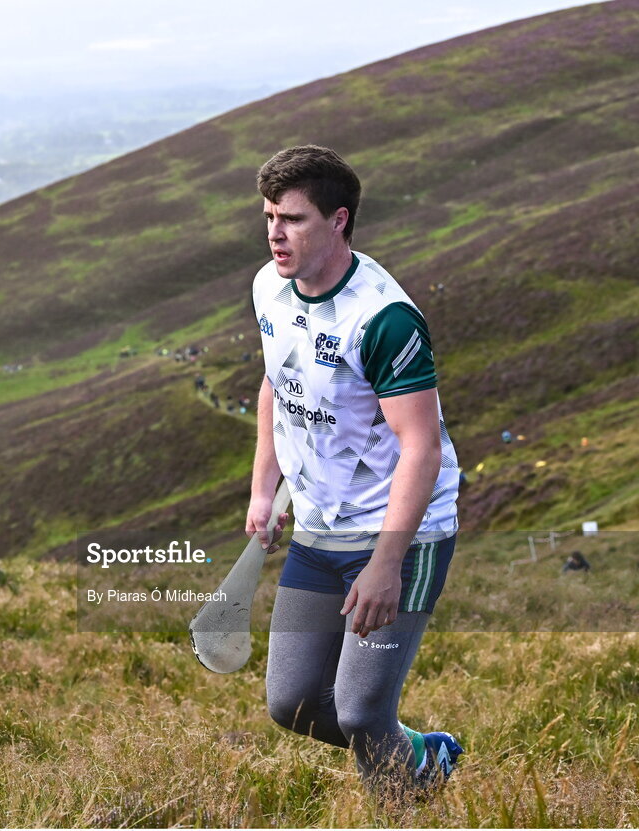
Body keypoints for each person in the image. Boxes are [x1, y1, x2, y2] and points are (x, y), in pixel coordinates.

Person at [246, 145, 463, 795]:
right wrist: (264, 489)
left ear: (339, 220)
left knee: (363, 710)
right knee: (292, 702)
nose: (275, 233)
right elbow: (274, 382)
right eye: (268, 216)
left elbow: (420, 446)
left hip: (399, 530)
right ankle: (421, 756)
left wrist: (385, 563)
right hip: (319, 527)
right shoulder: (267, 286)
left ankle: (403, 799)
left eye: (293, 218)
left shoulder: (384, 318)